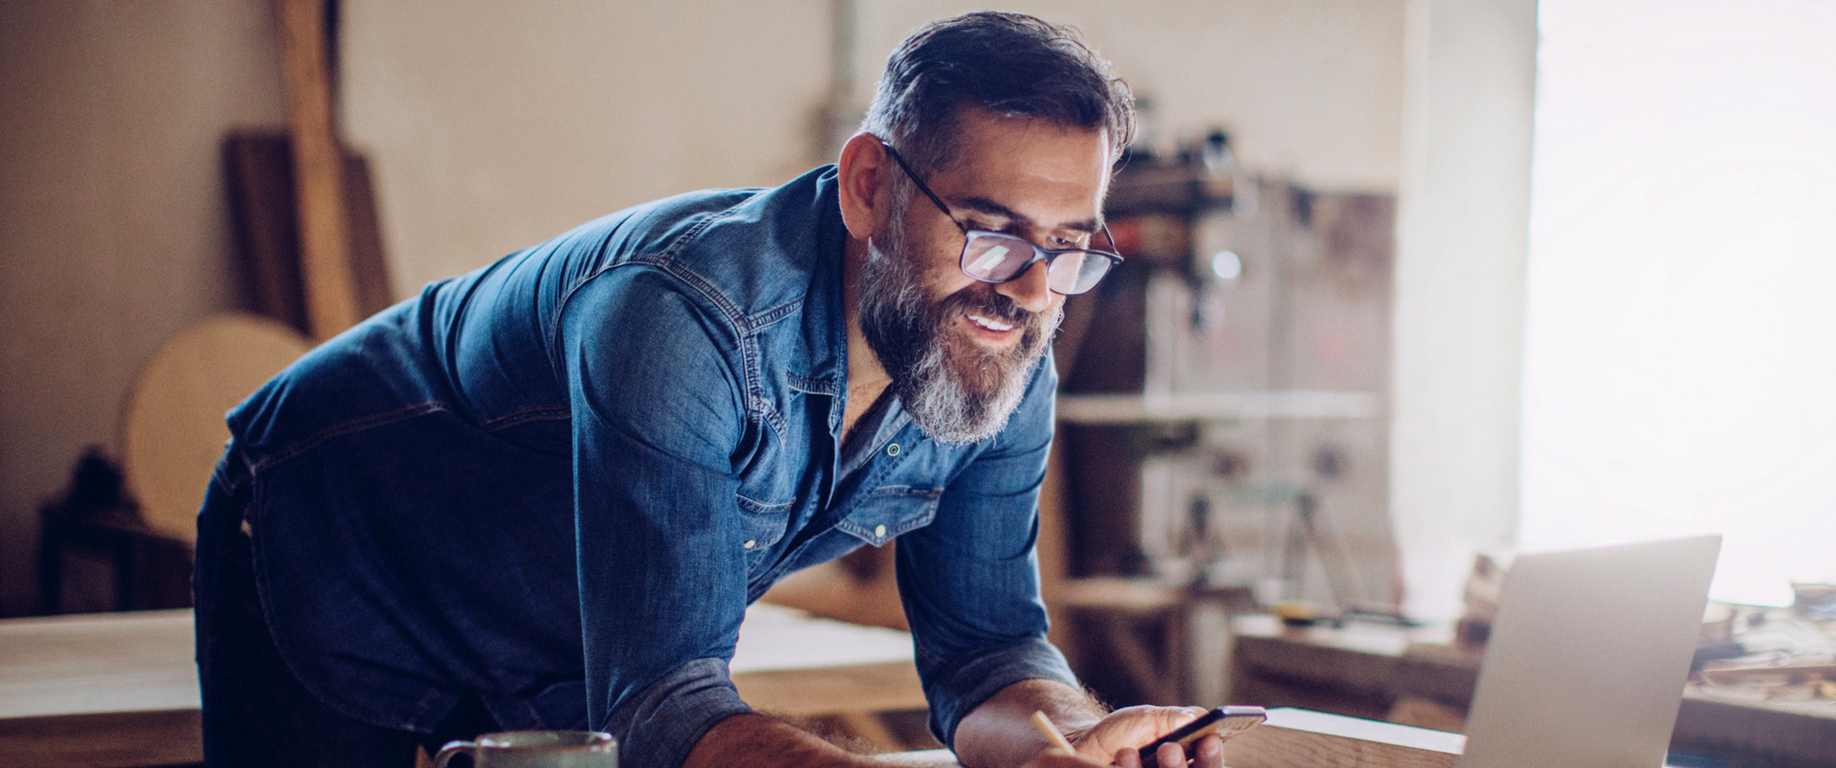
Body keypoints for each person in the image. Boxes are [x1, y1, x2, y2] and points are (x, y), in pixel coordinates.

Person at [195, 11, 1226, 768]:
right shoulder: (680, 320)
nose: (1033, 289)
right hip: (337, 549)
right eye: (992, 234)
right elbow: (663, 711)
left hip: (554, 636)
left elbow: (989, 650)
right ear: (869, 185)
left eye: (1070, 248)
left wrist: (1067, 739)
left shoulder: (1003, 348)